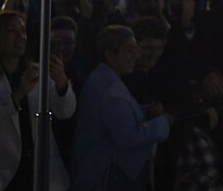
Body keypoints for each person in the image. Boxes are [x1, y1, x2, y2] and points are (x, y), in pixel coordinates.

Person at [72, 25, 171, 190]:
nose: (136, 56)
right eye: (130, 50)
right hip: (108, 177)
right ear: (110, 55)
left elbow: (116, 118)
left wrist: (145, 111)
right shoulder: (110, 90)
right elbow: (128, 138)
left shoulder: (103, 79)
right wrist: (162, 124)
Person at [0, 10, 76, 190]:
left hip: (38, 171)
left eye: (23, 31)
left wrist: (62, 84)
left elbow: (65, 111)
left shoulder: (37, 72)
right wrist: (17, 95)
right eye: (12, 31)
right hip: (3, 176)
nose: (21, 36)